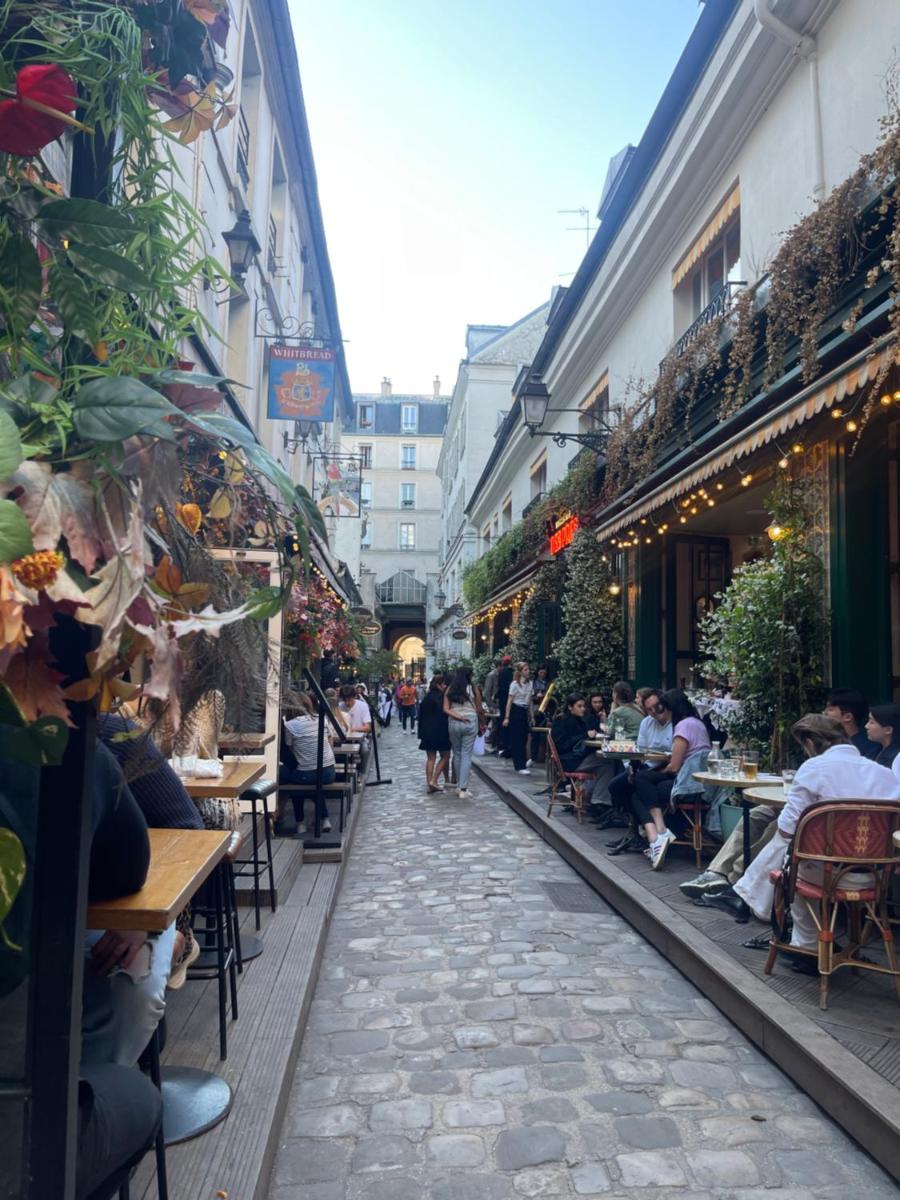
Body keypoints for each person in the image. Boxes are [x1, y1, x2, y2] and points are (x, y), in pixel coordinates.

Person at [731, 715, 900, 955]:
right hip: (875, 875)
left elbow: (786, 828)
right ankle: (756, 904)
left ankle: (800, 941)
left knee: (791, 852)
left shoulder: (814, 768)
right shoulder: (884, 774)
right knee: (796, 854)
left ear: (810, 743)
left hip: (825, 874)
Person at [629, 688, 710, 870]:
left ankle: (660, 832)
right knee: (642, 785)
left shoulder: (683, 726)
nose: (661, 712)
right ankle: (655, 838)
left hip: (687, 785)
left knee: (640, 782)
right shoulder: (698, 724)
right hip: (699, 784)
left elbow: (674, 767)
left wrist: (658, 773)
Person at [607, 690, 673, 849]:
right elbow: (640, 751)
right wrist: (632, 768)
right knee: (615, 786)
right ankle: (638, 827)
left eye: (657, 707)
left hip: (663, 770)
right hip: (645, 767)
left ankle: (643, 831)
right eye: (649, 709)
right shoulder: (647, 723)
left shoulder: (675, 724)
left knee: (636, 789)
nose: (654, 712)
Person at [281, 692, 334, 836]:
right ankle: (325, 818)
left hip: (308, 774)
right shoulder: (321, 719)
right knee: (312, 781)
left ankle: (300, 823)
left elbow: (292, 751)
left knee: (295, 783)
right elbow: (330, 740)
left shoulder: (290, 726)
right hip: (329, 772)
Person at [549, 694, 605, 805]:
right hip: (570, 761)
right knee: (606, 762)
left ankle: (589, 795)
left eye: (583, 706)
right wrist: (585, 735)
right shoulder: (562, 721)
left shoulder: (580, 720)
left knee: (607, 764)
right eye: (579, 706)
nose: (583, 709)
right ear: (570, 707)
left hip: (576, 758)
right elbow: (562, 745)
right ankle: (596, 799)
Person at [444, 667, 483, 799]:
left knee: (457, 753)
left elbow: (445, 708)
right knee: (466, 754)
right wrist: (482, 723)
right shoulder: (473, 688)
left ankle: (458, 786)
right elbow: (479, 708)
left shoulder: (450, 689)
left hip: (454, 721)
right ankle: (463, 788)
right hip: (470, 721)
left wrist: (458, 716)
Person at [823, 688, 881, 758]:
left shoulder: (870, 748)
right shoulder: (825, 743)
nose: (824, 713)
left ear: (848, 717)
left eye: (830, 710)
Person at [418, 675, 451, 793]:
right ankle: (434, 780)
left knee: (431, 758)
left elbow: (420, 716)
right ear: (438, 685)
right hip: (440, 730)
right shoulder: (443, 698)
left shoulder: (427, 697)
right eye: (443, 684)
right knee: (446, 756)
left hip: (427, 731)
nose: (445, 686)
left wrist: (420, 733)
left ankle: (429, 783)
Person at [503, 661, 534, 774]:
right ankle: (520, 766)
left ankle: (507, 754)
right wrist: (506, 717)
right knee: (518, 739)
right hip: (516, 710)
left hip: (524, 711)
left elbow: (529, 701)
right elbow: (509, 701)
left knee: (524, 737)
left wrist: (532, 716)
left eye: (528, 669)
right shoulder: (514, 684)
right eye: (525, 670)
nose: (528, 671)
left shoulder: (530, 683)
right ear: (520, 672)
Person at [866, 703, 900, 777]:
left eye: (871, 722)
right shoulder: (874, 752)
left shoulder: (897, 757)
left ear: (888, 730)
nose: (866, 726)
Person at [495, 656, 514, 755]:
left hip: (504, 702)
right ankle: (506, 746)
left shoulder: (502, 673)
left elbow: (501, 688)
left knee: (503, 723)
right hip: (509, 701)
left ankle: (503, 745)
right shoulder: (511, 673)